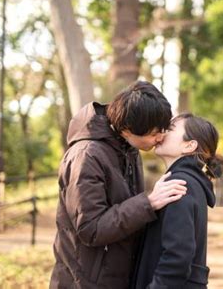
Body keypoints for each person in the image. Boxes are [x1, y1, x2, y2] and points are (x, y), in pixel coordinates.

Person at [50, 81, 188, 289]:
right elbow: (91, 228)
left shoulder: (128, 147)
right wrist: (148, 203)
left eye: (163, 129)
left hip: (119, 275)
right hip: (86, 282)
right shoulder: (86, 156)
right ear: (126, 129)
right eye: (153, 134)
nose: (160, 138)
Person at [133, 113, 223, 289]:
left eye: (170, 129)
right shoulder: (190, 181)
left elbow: (178, 256)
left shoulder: (180, 184)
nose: (162, 132)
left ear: (189, 145)